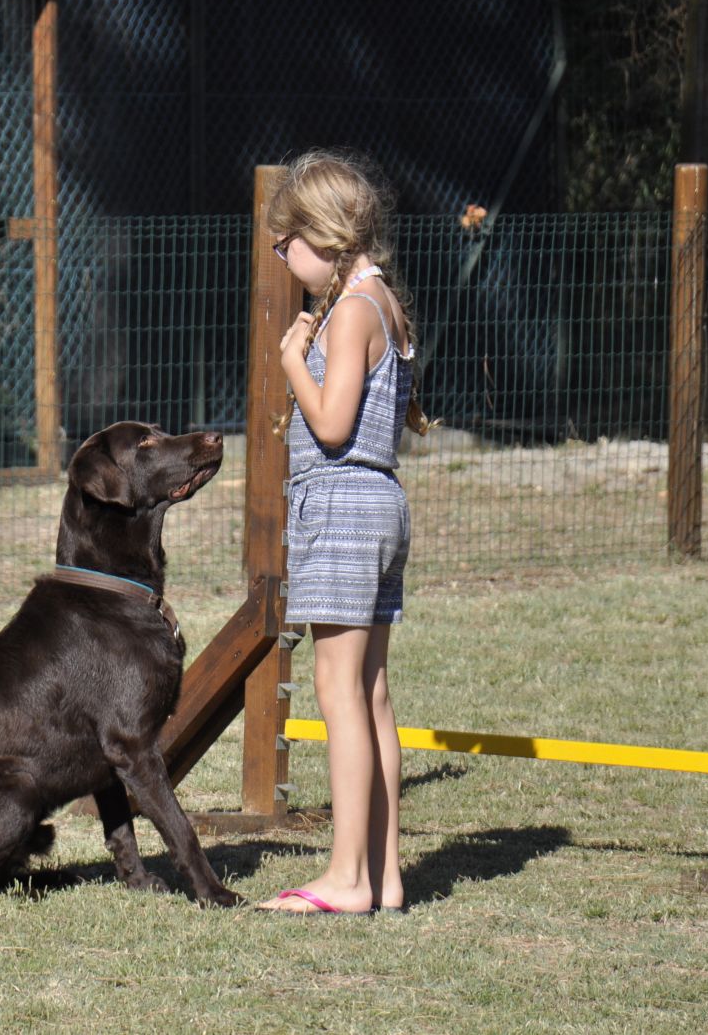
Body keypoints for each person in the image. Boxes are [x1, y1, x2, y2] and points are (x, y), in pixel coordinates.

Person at [255, 150, 431, 915]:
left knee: (337, 692)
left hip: (344, 503)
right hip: (380, 503)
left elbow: (329, 425)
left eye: (282, 242)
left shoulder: (353, 310)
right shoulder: (380, 301)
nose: (279, 256)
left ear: (319, 234)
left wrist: (293, 358)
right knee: (372, 693)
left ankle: (347, 878)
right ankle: (384, 875)